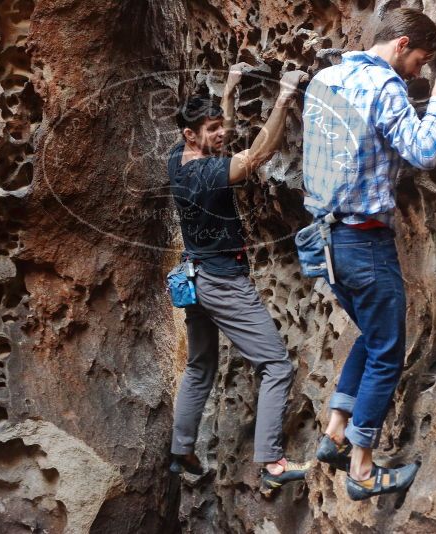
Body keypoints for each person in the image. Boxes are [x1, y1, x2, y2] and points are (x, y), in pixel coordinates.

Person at [301, 8, 436, 500]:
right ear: (401, 45)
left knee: (372, 336)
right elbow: (422, 153)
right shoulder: (385, 86)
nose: (418, 71)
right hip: (365, 242)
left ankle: (335, 431)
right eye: (419, 60)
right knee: (387, 352)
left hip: (324, 242)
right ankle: (361, 469)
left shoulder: (324, 80)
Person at [168, 67, 311, 491]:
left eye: (219, 125)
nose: (220, 134)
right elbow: (256, 157)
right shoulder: (206, 175)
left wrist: (229, 91)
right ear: (190, 134)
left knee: (200, 366)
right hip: (223, 282)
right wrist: (284, 98)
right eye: (211, 129)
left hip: (194, 278)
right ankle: (271, 463)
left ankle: (181, 450)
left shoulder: (178, 158)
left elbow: (223, 142)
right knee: (276, 365)